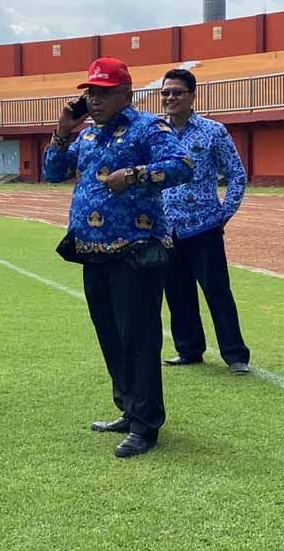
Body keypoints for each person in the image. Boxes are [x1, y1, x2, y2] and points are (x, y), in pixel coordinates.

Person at [42, 57, 192, 458]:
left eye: (104, 92)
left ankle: (146, 424)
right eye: (90, 92)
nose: (95, 99)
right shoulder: (87, 136)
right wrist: (61, 132)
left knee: (139, 338)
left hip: (135, 250)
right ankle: (128, 407)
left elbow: (182, 166)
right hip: (92, 250)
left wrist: (137, 174)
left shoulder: (148, 127)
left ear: (126, 93)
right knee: (110, 335)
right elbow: (52, 172)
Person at [158, 68, 252, 374]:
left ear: (192, 95)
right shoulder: (155, 132)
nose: (170, 98)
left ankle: (235, 355)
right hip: (167, 229)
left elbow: (236, 174)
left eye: (177, 92)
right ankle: (188, 349)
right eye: (166, 93)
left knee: (217, 292)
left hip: (204, 226)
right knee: (177, 292)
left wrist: (224, 213)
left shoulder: (213, 132)